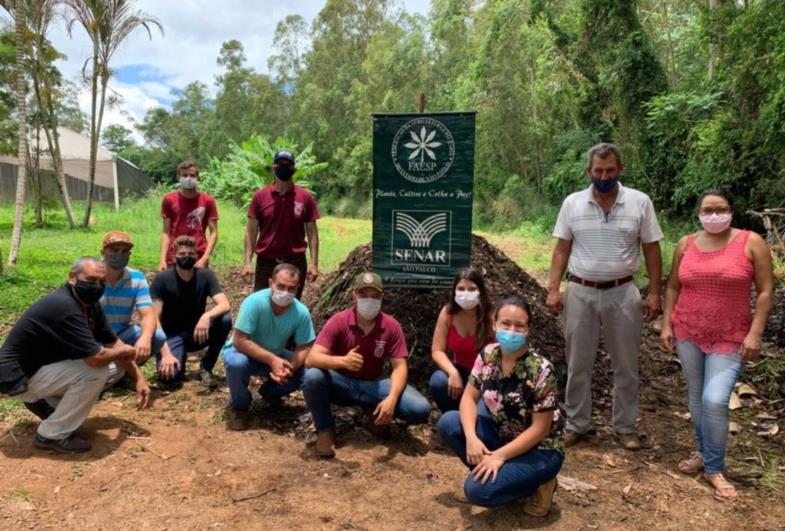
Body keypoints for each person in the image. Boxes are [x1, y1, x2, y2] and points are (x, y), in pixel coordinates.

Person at [546, 142, 663, 450]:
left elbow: (652, 248)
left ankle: (625, 428)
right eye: (598, 171)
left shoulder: (639, 202)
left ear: (620, 169)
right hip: (581, 291)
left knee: (626, 364)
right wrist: (553, 288)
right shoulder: (572, 203)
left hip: (624, 292)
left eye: (610, 170)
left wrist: (654, 293)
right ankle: (577, 424)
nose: (604, 176)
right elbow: (561, 249)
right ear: (589, 171)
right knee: (578, 362)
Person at [660, 188, 774, 502]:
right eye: (707, 210)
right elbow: (672, 287)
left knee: (714, 399)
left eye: (720, 209)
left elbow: (765, 291)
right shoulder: (685, 244)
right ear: (698, 212)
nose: (714, 215)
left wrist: (755, 333)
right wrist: (667, 324)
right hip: (688, 331)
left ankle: (714, 467)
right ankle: (703, 453)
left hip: (731, 334)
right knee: (696, 397)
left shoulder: (751, 242)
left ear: (731, 210)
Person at [0, 258, 150, 453]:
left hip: (38, 369)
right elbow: (96, 359)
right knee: (97, 371)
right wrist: (122, 352)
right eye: (91, 280)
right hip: (15, 378)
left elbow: (113, 342)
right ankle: (51, 434)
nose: (97, 286)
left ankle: (46, 403)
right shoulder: (65, 306)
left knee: (117, 366)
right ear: (72, 278)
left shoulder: (89, 304)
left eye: (101, 282)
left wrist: (139, 378)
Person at [436, 296, 564, 515]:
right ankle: (489, 473)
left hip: (540, 449)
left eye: (519, 325)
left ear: (528, 329)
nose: (511, 330)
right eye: (506, 323)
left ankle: (541, 484)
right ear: (494, 324)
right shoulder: (488, 355)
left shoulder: (541, 369)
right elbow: (468, 398)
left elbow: (540, 429)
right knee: (449, 422)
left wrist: (499, 456)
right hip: (504, 436)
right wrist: (472, 438)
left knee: (477, 493)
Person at [302, 272, 431, 458]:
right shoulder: (339, 321)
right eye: (363, 295)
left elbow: (400, 367)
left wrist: (392, 400)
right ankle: (325, 430)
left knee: (419, 409)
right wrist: (342, 361)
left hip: (374, 383)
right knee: (312, 377)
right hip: (342, 383)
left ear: (382, 297)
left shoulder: (391, 326)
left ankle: (373, 412)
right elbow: (311, 358)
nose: (368, 300)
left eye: (374, 296)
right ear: (354, 295)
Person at [223, 263, 316, 431]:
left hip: (276, 354)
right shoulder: (254, 302)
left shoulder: (301, 312)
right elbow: (240, 340)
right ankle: (240, 407)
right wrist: (272, 360)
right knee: (236, 363)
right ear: (270, 283)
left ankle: (270, 392)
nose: (285, 292)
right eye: (281, 286)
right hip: (244, 352)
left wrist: (290, 367)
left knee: (308, 370)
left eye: (291, 288)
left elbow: (305, 345)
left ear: (298, 289)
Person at [150, 236, 232, 387]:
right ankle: (176, 359)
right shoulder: (162, 279)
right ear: (174, 256)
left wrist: (206, 316)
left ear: (197, 255)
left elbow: (224, 304)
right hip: (171, 335)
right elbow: (153, 319)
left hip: (198, 333)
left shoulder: (206, 275)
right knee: (169, 377)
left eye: (191, 254)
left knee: (225, 320)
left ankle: (206, 367)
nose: (186, 257)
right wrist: (166, 353)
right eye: (182, 254)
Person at [241, 150, 320, 298]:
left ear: (294, 169)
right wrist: (247, 262)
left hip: (295, 262)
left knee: (290, 302)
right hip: (266, 262)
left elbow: (312, 232)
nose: (284, 167)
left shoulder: (305, 197)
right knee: (262, 303)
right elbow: (251, 231)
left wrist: (314, 264)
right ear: (273, 167)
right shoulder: (260, 197)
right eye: (280, 164)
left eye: (288, 164)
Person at [99, 230, 169, 371]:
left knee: (158, 337)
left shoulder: (137, 278)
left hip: (122, 333)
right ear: (103, 252)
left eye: (125, 251)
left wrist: (146, 337)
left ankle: (125, 372)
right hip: (96, 335)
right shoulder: (92, 275)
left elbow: (148, 314)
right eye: (114, 250)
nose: (119, 254)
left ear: (129, 255)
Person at [429, 267, 493, 413]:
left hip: (486, 377)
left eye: (472, 289)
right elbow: (437, 350)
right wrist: (453, 372)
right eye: (461, 289)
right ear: (454, 291)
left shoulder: (491, 316)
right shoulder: (448, 313)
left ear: (481, 291)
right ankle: (454, 418)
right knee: (438, 381)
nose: (466, 294)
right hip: (461, 372)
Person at [159, 160, 219, 271]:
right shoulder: (169, 200)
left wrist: (205, 258)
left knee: (199, 287)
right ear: (178, 177)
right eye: (184, 175)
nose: (188, 178)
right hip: (175, 255)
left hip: (198, 254)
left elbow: (214, 233)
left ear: (198, 177)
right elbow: (166, 232)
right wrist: (162, 259)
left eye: (192, 175)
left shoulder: (207, 201)